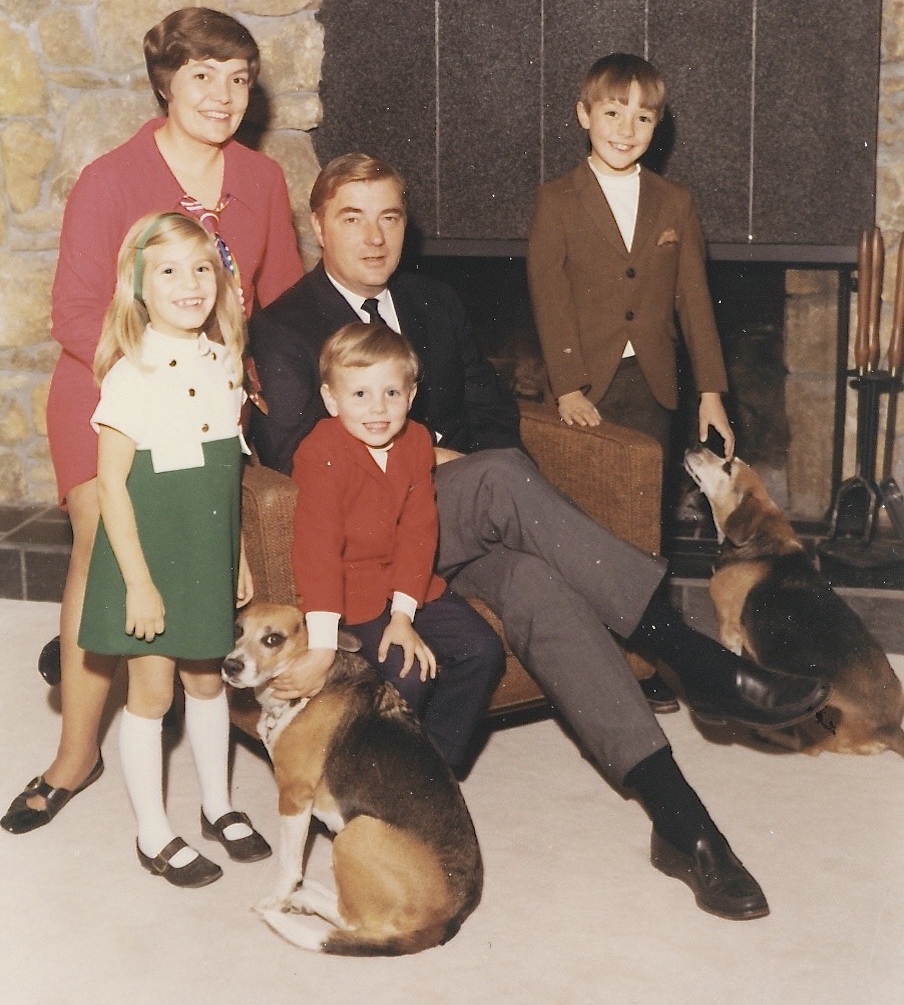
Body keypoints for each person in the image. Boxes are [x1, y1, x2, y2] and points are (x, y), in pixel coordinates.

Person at [247, 151, 829, 922]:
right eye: (352, 217)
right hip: (372, 535)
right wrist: (444, 458)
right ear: (318, 224)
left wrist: (477, 468)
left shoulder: (436, 301)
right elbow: (294, 448)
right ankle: (692, 659)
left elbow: (496, 415)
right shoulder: (285, 325)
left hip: (452, 528)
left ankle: (684, 825)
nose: (375, 235)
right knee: (496, 478)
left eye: (390, 215)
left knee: (537, 582)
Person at [2, 7, 303, 836]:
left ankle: (184, 723)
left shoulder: (263, 181)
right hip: (109, 393)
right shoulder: (111, 179)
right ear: (166, 83)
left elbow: (278, 309)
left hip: (210, 398)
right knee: (104, 537)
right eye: (203, 75)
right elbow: (73, 315)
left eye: (239, 78)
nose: (224, 94)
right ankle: (75, 754)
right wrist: (158, 373)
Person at [527, 52, 734, 714]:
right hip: (584, 385)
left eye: (642, 117)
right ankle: (581, 663)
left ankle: (641, 661)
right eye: (612, 112)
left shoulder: (676, 202)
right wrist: (567, 387)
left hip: (653, 385)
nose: (625, 128)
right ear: (584, 115)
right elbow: (548, 296)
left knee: (643, 527)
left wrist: (710, 392)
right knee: (584, 523)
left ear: (658, 126)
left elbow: (694, 303)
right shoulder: (556, 200)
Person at [76, 213, 269, 886]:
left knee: (208, 676)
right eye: (168, 270)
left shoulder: (222, 363)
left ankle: (217, 803)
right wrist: (138, 583)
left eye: (200, 269)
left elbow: (225, 475)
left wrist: (236, 550)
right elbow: (111, 486)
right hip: (148, 553)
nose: (189, 284)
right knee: (152, 691)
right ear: (138, 285)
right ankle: (152, 829)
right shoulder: (134, 373)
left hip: (204, 543)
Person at [290, 322, 504, 771]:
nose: (378, 409)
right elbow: (318, 551)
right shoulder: (320, 452)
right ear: (331, 400)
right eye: (360, 395)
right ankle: (380, 776)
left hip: (411, 582)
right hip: (351, 592)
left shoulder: (417, 441)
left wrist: (404, 615)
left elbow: (418, 531)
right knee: (408, 673)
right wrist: (324, 644)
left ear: (411, 396)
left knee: (482, 650)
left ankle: (433, 771)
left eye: (391, 393)